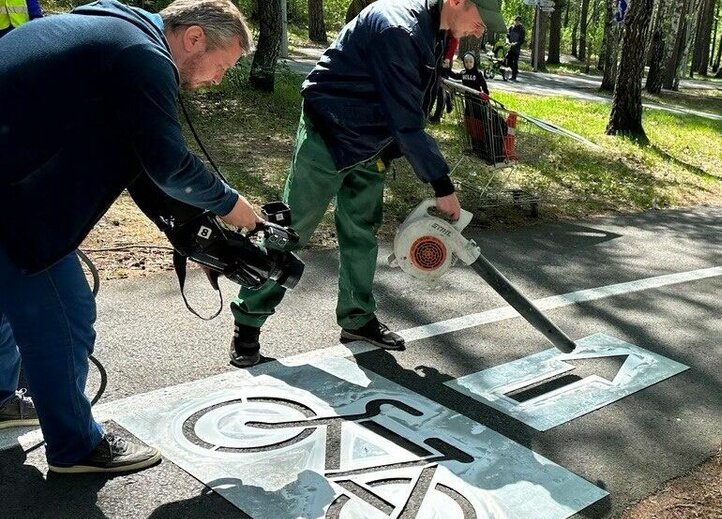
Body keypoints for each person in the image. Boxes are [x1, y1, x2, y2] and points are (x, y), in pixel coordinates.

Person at [0, 0, 261, 474]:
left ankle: (1, 397)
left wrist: (198, 238)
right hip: (11, 198)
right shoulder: (143, 57)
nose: (216, 80)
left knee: (6, 299)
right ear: (195, 37)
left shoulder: (109, 25)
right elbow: (168, 165)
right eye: (221, 67)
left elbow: (140, 165)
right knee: (65, 313)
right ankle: (76, 446)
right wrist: (232, 206)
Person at [227, 0, 508, 368]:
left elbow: (411, 103)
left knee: (361, 230)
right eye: (479, 19)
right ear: (455, 1)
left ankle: (357, 319)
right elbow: (406, 120)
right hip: (327, 132)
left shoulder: (436, 30)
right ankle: (247, 323)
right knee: (291, 230)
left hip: (372, 141)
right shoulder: (398, 30)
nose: (480, 29)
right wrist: (442, 185)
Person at [506, 15, 524, 81]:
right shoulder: (511, 28)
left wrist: (516, 43)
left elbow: (522, 40)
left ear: (520, 22)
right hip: (510, 48)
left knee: (515, 62)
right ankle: (515, 71)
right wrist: (507, 41)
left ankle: (514, 76)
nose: (517, 22)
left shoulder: (521, 29)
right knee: (508, 60)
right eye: (516, 20)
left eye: (518, 21)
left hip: (516, 49)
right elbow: (507, 36)